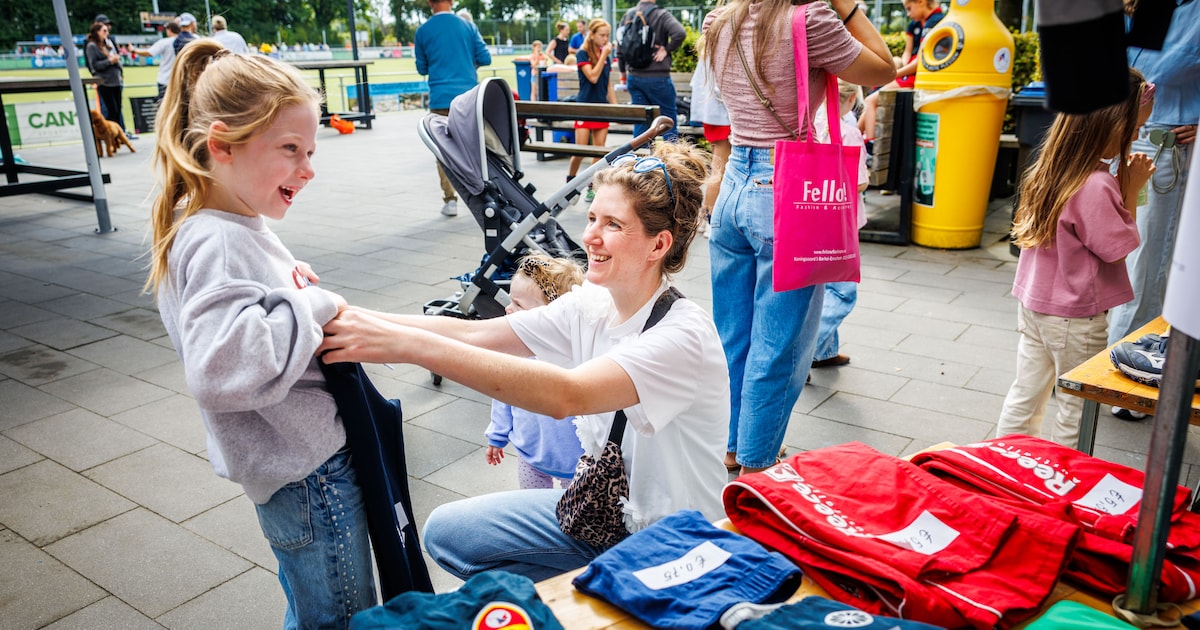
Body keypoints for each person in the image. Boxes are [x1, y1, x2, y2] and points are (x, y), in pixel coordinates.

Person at [318, 142, 729, 582]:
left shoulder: (681, 336)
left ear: (658, 244)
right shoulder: (594, 303)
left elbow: (564, 395)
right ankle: (583, 594)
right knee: (448, 532)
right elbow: (477, 333)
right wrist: (347, 315)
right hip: (603, 516)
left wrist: (404, 346)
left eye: (613, 225)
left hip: (676, 544)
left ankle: (591, 597)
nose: (590, 236)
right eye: (592, 217)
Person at [145, 40, 378, 628]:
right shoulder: (217, 238)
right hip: (309, 473)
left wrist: (290, 293)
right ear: (221, 145)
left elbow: (257, 308)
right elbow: (222, 369)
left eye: (311, 149)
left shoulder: (231, 221)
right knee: (344, 617)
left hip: (295, 468)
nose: (309, 167)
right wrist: (315, 303)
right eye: (291, 149)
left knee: (313, 605)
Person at [700, 0, 895, 475]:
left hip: (733, 185)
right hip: (785, 190)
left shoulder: (717, 20)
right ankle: (757, 463)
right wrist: (848, 7)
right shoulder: (811, 21)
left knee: (734, 336)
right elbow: (882, 69)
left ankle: (732, 443)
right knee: (781, 344)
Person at [996, 70, 1154, 448]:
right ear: (1108, 126)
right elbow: (1116, 246)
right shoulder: (1096, 184)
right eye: (1133, 129)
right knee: (1076, 404)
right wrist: (1130, 190)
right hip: (1075, 317)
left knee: (1026, 393)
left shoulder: (1051, 170)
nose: (1135, 136)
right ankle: (1067, 474)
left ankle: (1003, 460)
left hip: (1035, 306)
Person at [1106, 0, 1200, 421]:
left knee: (1145, 263)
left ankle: (1122, 375)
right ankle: (1097, 360)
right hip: (1109, 140)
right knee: (1106, 252)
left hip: (1164, 148)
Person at [484, 254, 586, 489]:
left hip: (577, 464)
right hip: (530, 454)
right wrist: (497, 436)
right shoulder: (514, 352)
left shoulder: (576, 357)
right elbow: (502, 394)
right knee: (530, 501)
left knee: (571, 518)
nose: (508, 309)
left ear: (554, 315)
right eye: (511, 300)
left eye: (519, 305)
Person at [812, 79, 871, 370]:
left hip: (813, 218)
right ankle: (809, 348)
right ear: (849, 101)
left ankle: (825, 351)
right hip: (841, 224)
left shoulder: (810, 127)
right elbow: (858, 182)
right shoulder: (847, 134)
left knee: (821, 285)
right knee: (842, 292)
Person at [415, 0, 492, 217]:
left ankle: (450, 200)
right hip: (467, 98)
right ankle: (484, 195)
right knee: (475, 147)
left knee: (442, 150)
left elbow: (422, 67)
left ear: (430, 3)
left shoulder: (423, 31)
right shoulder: (468, 26)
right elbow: (484, 58)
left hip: (440, 98)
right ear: (452, 2)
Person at [858, 0, 944, 143]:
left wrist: (894, 74)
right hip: (909, 74)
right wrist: (899, 68)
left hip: (916, 77)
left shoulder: (935, 22)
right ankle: (856, 139)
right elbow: (908, 53)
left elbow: (922, 61)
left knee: (870, 100)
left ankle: (869, 144)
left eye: (909, 9)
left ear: (921, 2)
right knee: (872, 98)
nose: (908, 14)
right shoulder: (919, 23)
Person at [618, 0, 687, 141]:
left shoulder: (628, 15)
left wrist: (623, 75)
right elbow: (679, 32)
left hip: (634, 78)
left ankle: (641, 159)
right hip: (658, 78)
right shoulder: (661, 15)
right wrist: (666, 49)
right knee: (668, 121)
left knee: (641, 123)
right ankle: (673, 160)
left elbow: (620, 48)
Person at [567, 18, 616, 203]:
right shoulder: (582, 53)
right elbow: (593, 77)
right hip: (585, 106)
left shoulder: (606, 56)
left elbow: (607, 84)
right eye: (602, 35)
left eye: (607, 35)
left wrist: (615, 108)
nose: (605, 39)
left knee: (598, 152)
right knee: (580, 151)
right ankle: (570, 182)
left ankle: (590, 186)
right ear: (592, 34)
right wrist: (603, 56)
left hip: (601, 107)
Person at [687, 58, 731, 238]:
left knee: (717, 167)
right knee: (719, 169)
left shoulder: (708, 49)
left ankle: (705, 217)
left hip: (711, 114)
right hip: (722, 115)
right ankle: (709, 217)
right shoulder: (721, 47)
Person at [85, 22, 135, 140]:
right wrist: (110, 61)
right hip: (105, 82)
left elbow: (116, 58)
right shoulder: (92, 46)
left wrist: (118, 66)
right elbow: (94, 65)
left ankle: (118, 136)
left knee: (117, 110)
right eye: (104, 31)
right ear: (97, 32)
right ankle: (111, 137)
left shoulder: (107, 44)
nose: (107, 33)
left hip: (116, 81)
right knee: (111, 111)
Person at [140, 20, 180, 102]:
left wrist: (134, 50)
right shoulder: (185, 41)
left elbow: (149, 53)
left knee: (164, 106)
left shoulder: (164, 42)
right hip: (179, 80)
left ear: (169, 30)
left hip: (165, 80)